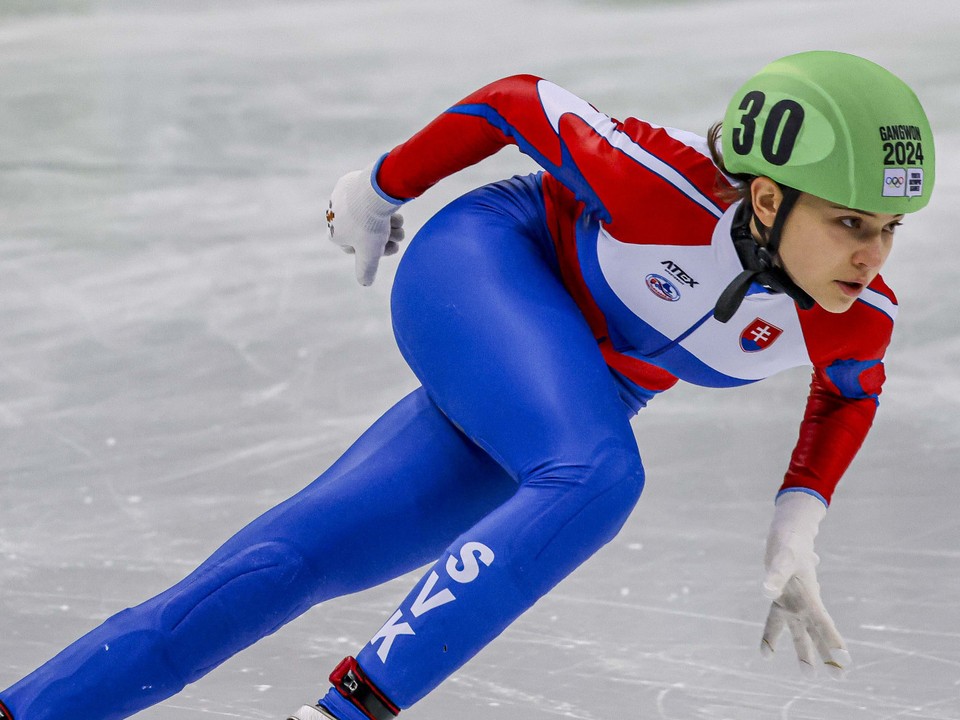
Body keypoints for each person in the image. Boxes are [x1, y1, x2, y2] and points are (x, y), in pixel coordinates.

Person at [0, 50, 935, 720]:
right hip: (490, 267)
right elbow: (515, 101)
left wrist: (799, 519)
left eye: (892, 225)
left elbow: (849, 391)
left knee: (290, 563)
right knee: (598, 477)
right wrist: (380, 185)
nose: (874, 254)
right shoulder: (663, 185)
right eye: (853, 222)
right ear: (767, 198)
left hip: (564, 397)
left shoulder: (855, 310)